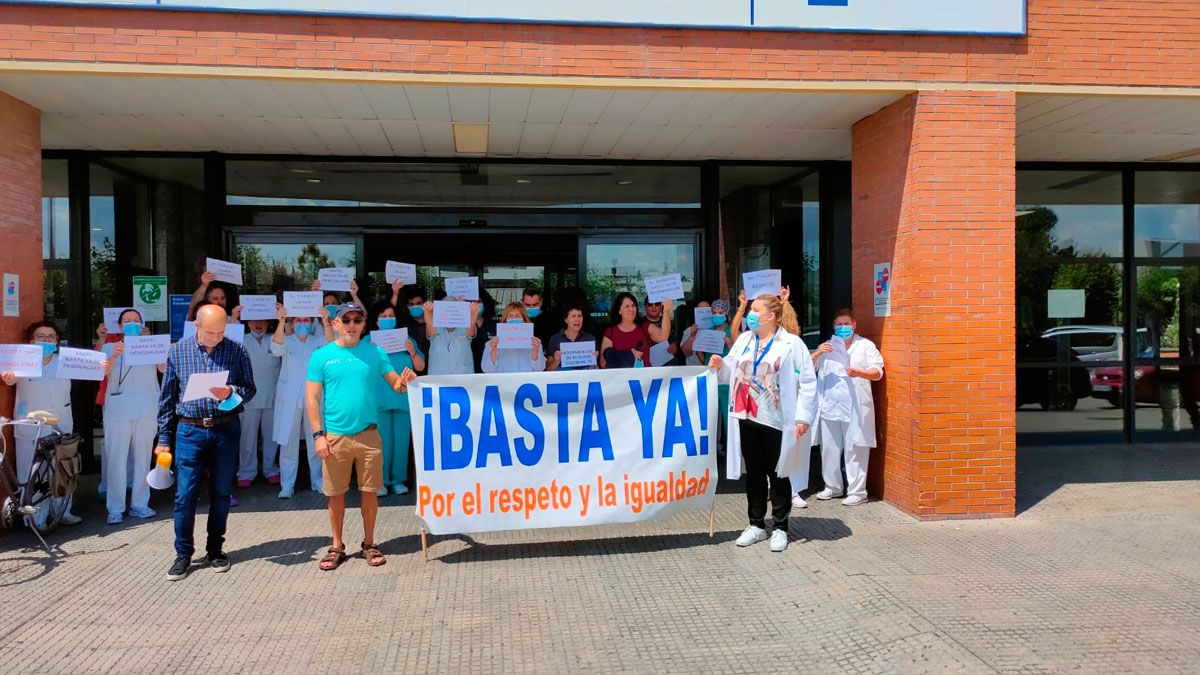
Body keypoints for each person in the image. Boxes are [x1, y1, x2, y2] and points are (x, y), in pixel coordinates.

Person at [305, 303, 417, 571]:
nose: (352, 325)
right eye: (346, 320)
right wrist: (318, 435)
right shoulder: (321, 356)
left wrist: (408, 380)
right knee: (335, 494)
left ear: (364, 325)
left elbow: (396, 385)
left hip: (368, 435)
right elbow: (312, 398)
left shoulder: (375, 352)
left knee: (370, 492)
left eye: (357, 320)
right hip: (335, 436)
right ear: (335, 324)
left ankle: (369, 542)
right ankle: (336, 545)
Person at [708, 294, 817, 553]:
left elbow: (809, 383)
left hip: (777, 420)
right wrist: (719, 364)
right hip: (747, 417)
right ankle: (756, 524)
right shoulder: (745, 340)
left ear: (771, 316)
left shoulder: (791, 344)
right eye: (751, 310)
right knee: (754, 473)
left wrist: (803, 417)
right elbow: (729, 373)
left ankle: (780, 527)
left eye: (756, 310)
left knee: (778, 472)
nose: (751, 315)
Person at [155, 304, 256, 581]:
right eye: (211, 333)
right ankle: (183, 554)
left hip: (225, 430)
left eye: (221, 332)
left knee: (221, 493)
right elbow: (167, 400)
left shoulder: (236, 350)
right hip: (189, 431)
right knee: (185, 495)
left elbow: (250, 388)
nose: (216, 338)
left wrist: (232, 391)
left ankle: (215, 550)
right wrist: (164, 439)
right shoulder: (178, 351)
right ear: (197, 326)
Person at [1, 320, 83, 526]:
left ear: (57, 342)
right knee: (31, 472)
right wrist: (8, 376)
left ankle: (62, 511)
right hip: (30, 422)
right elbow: (9, 380)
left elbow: (92, 369)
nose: (46, 340)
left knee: (62, 468)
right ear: (31, 341)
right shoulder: (21, 362)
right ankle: (35, 518)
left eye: (51, 337)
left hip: (61, 420)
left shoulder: (65, 361)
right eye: (41, 336)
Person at [810, 309, 884, 506]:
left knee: (855, 448)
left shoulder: (865, 346)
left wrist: (860, 372)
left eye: (846, 324)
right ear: (834, 327)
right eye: (839, 324)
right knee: (830, 448)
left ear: (854, 324)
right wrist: (818, 353)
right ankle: (832, 487)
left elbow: (878, 372)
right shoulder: (828, 347)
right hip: (830, 405)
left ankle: (857, 491)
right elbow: (808, 369)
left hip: (855, 406)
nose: (843, 328)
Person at [100, 309, 164, 524]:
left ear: (143, 325)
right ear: (120, 327)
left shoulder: (151, 345)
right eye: (127, 321)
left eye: (136, 321)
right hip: (118, 410)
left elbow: (163, 369)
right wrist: (115, 354)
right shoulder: (109, 347)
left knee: (143, 458)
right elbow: (102, 372)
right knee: (116, 458)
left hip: (146, 408)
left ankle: (140, 504)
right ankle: (115, 508)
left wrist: (153, 347)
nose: (132, 324)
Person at [270, 302, 334, 498]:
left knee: (316, 438)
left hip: (313, 396)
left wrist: (326, 322)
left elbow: (332, 346)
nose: (302, 323)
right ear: (293, 322)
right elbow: (276, 349)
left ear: (312, 322)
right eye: (298, 320)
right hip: (289, 397)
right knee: (288, 443)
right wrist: (281, 322)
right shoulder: (287, 340)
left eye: (306, 320)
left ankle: (318, 481)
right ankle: (287, 485)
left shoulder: (318, 340)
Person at [367, 300, 425, 496]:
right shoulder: (367, 342)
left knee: (401, 442)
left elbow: (420, 367)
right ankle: (379, 481)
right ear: (376, 321)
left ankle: (398, 480)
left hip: (402, 398)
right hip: (378, 399)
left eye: (391, 316)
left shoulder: (407, 340)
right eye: (383, 316)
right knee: (380, 443)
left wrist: (412, 351)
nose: (387, 319)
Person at [233, 311, 281, 488]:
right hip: (249, 398)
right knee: (247, 438)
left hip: (273, 396)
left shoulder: (276, 339)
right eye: (254, 319)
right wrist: (233, 317)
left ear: (269, 322)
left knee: (271, 437)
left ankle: (271, 470)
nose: (258, 323)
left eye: (263, 319)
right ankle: (246, 472)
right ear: (247, 322)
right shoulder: (241, 340)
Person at [482, 303, 547, 373]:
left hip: (526, 382)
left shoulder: (535, 342)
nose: (514, 318)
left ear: (525, 320)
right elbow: (487, 370)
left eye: (518, 316)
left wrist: (535, 351)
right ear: (505, 321)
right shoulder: (492, 343)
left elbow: (540, 368)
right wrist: (493, 351)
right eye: (510, 316)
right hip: (503, 383)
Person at [423, 295, 480, 375]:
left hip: (463, 379)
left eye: (453, 311)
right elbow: (429, 327)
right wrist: (427, 312)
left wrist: (474, 313)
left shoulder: (464, 326)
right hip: (438, 380)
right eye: (446, 310)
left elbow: (470, 331)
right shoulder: (436, 327)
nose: (450, 314)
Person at [600, 293, 653, 369]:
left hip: (644, 378)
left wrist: (666, 311)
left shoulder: (644, 327)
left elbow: (663, 336)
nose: (631, 309)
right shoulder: (610, 331)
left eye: (633, 305)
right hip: (619, 378)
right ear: (619, 311)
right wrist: (629, 356)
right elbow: (603, 363)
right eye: (627, 306)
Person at [546, 304, 599, 371]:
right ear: (566, 320)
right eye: (573, 316)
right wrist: (556, 360)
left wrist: (594, 360)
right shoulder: (555, 339)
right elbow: (548, 370)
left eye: (579, 316)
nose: (577, 319)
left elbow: (595, 370)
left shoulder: (591, 339)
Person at [521, 286, 557, 354]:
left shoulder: (552, 321)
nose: (531, 307)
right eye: (528, 305)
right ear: (522, 302)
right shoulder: (517, 320)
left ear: (541, 302)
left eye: (535, 305)